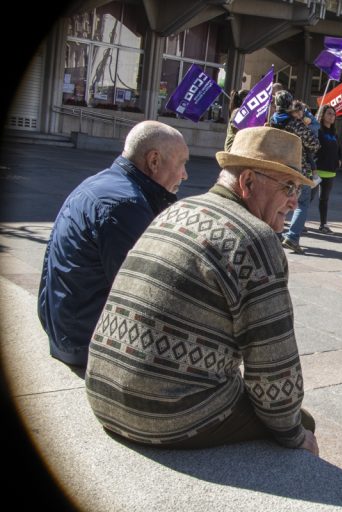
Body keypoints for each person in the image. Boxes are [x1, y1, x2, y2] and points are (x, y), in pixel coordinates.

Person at [85, 127, 319, 455]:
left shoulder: (178, 210)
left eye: (298, 189)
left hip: (102, 393)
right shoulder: (255, 239)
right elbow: (273, 367)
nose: (294, 201)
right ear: (248, 181)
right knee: (302, 422)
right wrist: (295, 434)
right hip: (162, 412)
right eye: (288, 186)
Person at [38, 121, 189, 368]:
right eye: (182, 163)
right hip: (83, 342)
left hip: (65, 329)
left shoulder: (105, 183)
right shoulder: (125, 205)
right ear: (154, 161)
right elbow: (147, 290)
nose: (184, 174)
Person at [270, 93, 320, 254]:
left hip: (277, 167)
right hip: (298, 168)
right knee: (302, 204)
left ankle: (276, 235)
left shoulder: (272, 121)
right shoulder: (294, 123)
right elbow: (314, 143)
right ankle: (292, 238)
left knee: (278, 202)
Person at [314, 104, 342, 234]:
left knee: (324, 199)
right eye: (329, 114)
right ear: (322, 115)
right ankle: (299, 222)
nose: (332, 116)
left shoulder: (334, 133)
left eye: (333, 114)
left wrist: (339, 159)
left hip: (330, 172)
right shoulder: (317, 131)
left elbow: (338, 149)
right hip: (316, 170)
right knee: (307, 198)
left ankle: (323, 225)